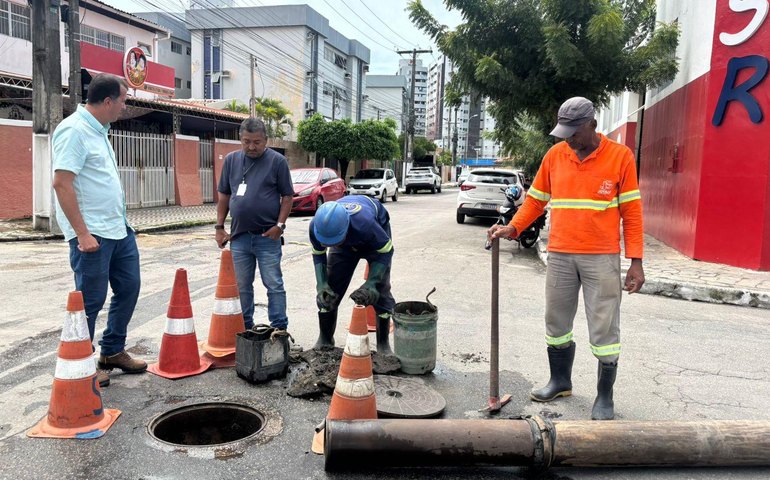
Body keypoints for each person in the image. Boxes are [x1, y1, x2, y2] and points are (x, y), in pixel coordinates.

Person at [488, 96, 645, 420]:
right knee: (556, 321)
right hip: (559, 254)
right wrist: (513, 228)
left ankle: (604, 396)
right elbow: (535, 201)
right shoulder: (555, 155)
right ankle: (560, 381)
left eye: (575, 131)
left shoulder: (620, 157)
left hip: (601, 257)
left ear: (592, 125)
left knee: (604, 328)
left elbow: (631, 212)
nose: (569, 138)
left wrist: (636, 261)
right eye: (565, 132)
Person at [52, 73, 147, 388]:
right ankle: (82, 363)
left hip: (118, 230)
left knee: (130, 287)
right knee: (90, 300)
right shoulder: (74, 131)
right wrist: (81, 233)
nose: (124, 106)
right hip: (92, 235)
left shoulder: (100, 132)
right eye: (123, 100)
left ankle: (112, 351)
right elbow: (62, 183)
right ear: (108, 101)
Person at [215, 118, 293, 332]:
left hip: (268, 237)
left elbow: (287, 196)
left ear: (266, 140)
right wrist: (219, 227)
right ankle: (245, 327)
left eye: (257, 142)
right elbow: (224, 195)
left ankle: (279, 329)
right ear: (240, 139)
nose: (251, 147)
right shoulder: (231, 160)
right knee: (242, 286)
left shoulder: (277, 162)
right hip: (239, 237)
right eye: (246, 141)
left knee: (274, 284)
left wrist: (280, 225)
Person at [309, 196, 395, 355]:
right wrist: (321, 284)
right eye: (328, 243)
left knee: (380, 291)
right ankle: (325, 339)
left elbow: (386, 250)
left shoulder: (365, 224)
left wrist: (372, 282)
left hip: (373, 242)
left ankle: (383, 345)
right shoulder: (317, 226)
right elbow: (318, 253)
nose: (331, 245)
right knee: (330, 291)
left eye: (335, 241)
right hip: (345, 245)